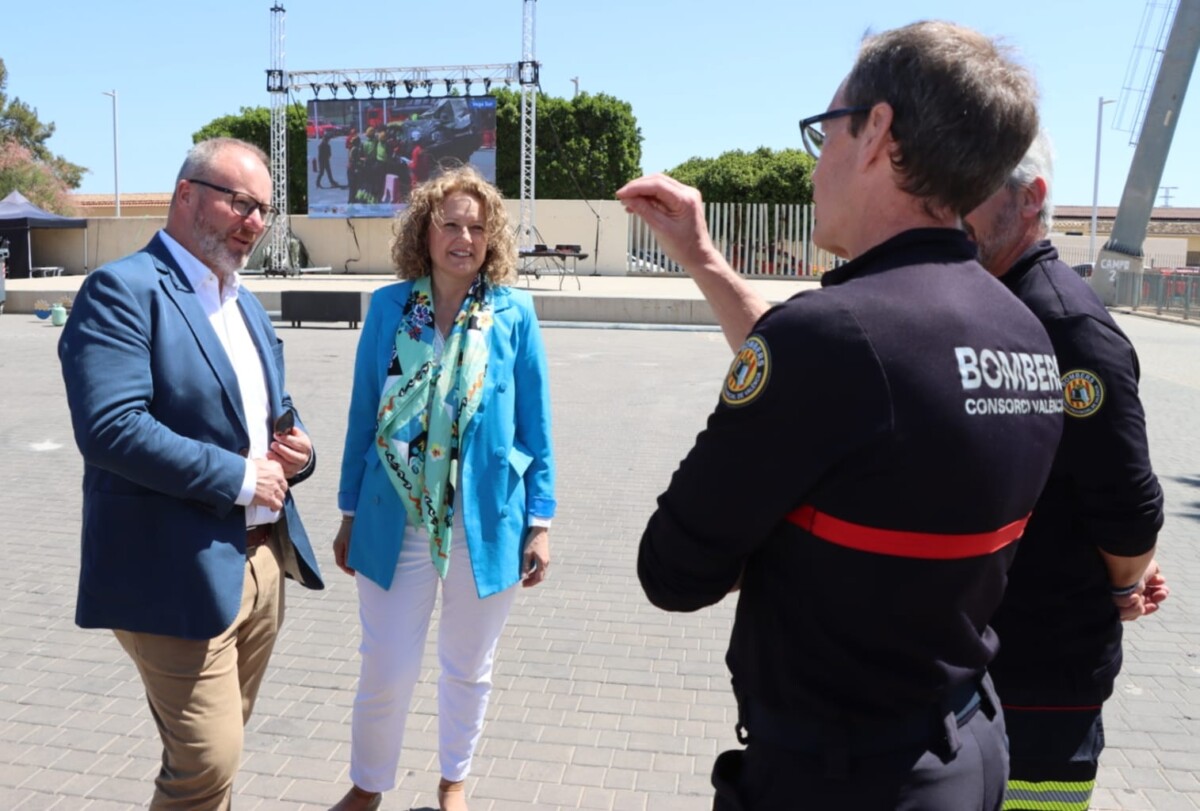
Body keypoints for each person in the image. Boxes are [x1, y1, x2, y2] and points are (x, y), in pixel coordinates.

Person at [617, 21, 1061, 811]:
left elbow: (672, 572)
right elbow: (865, 387)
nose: (814, 159)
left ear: (877, 132)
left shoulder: (832, 341)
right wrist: (705, 258)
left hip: (847, 775)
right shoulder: (1023, 331)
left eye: (826, 130)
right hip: (968, 747)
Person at [58, 137, 324, 810]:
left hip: (260, 566)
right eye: (240, 202)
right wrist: (239, 476)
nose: (255, 222)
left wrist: (298, 452)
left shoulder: (245, 303)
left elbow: (273, 417)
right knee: (207, 759)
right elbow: (111, 428)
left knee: (215, 755)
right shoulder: (121, 290)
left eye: (263, 208)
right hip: (172, 569)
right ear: (185, 195)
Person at [329, 164, 555, 811]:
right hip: (392, 514)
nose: (464, 237)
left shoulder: (514, 314)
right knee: (386, 665)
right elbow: (361, 412)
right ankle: (369, 784)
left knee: (467, 666)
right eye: (450, 223)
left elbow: (536, 425)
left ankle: (454, 779)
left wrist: (541, 520)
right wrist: (347, 511)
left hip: (484, 520)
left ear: (492, 239)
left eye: (477, 227)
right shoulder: (388, 308)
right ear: (425, 231)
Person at [963, 132, 1169, 811]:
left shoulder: (1067, 326)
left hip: (1042, 684)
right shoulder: (987, 302)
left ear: (1031, 200)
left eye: (971, 188)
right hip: (976, 675)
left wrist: (1126, 581)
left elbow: (1130, 508)